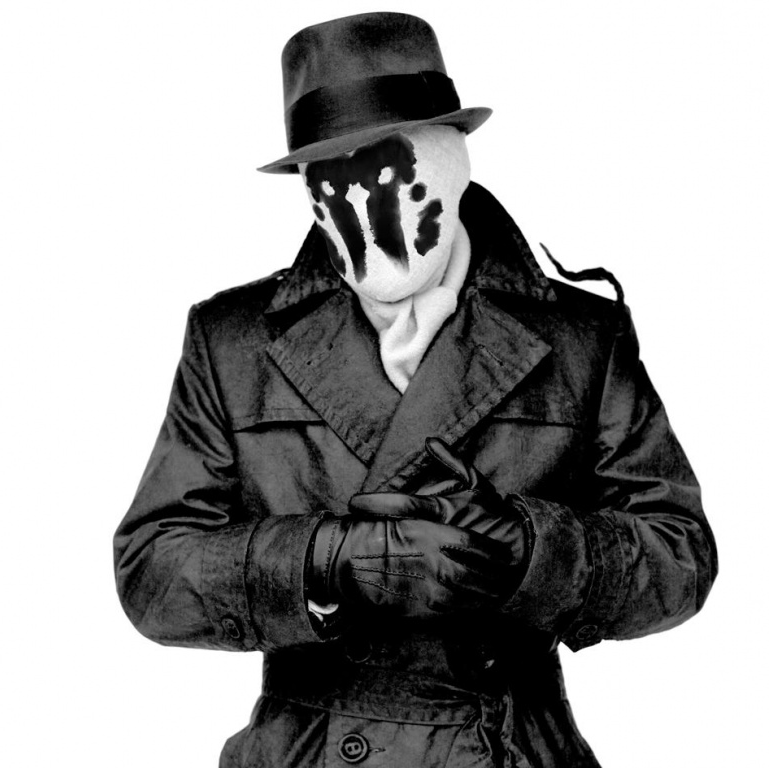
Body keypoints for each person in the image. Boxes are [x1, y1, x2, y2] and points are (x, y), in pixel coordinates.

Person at [112, 12, 717, 767]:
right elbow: (152, 572)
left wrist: (531, 553)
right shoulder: (233, 341)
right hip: (310, 747)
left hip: (509, 744)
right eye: (329, 176)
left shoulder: (581, 337)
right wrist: (326, 559)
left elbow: (680, 555)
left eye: (386, 171)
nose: (364, 209)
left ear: (449, 158)